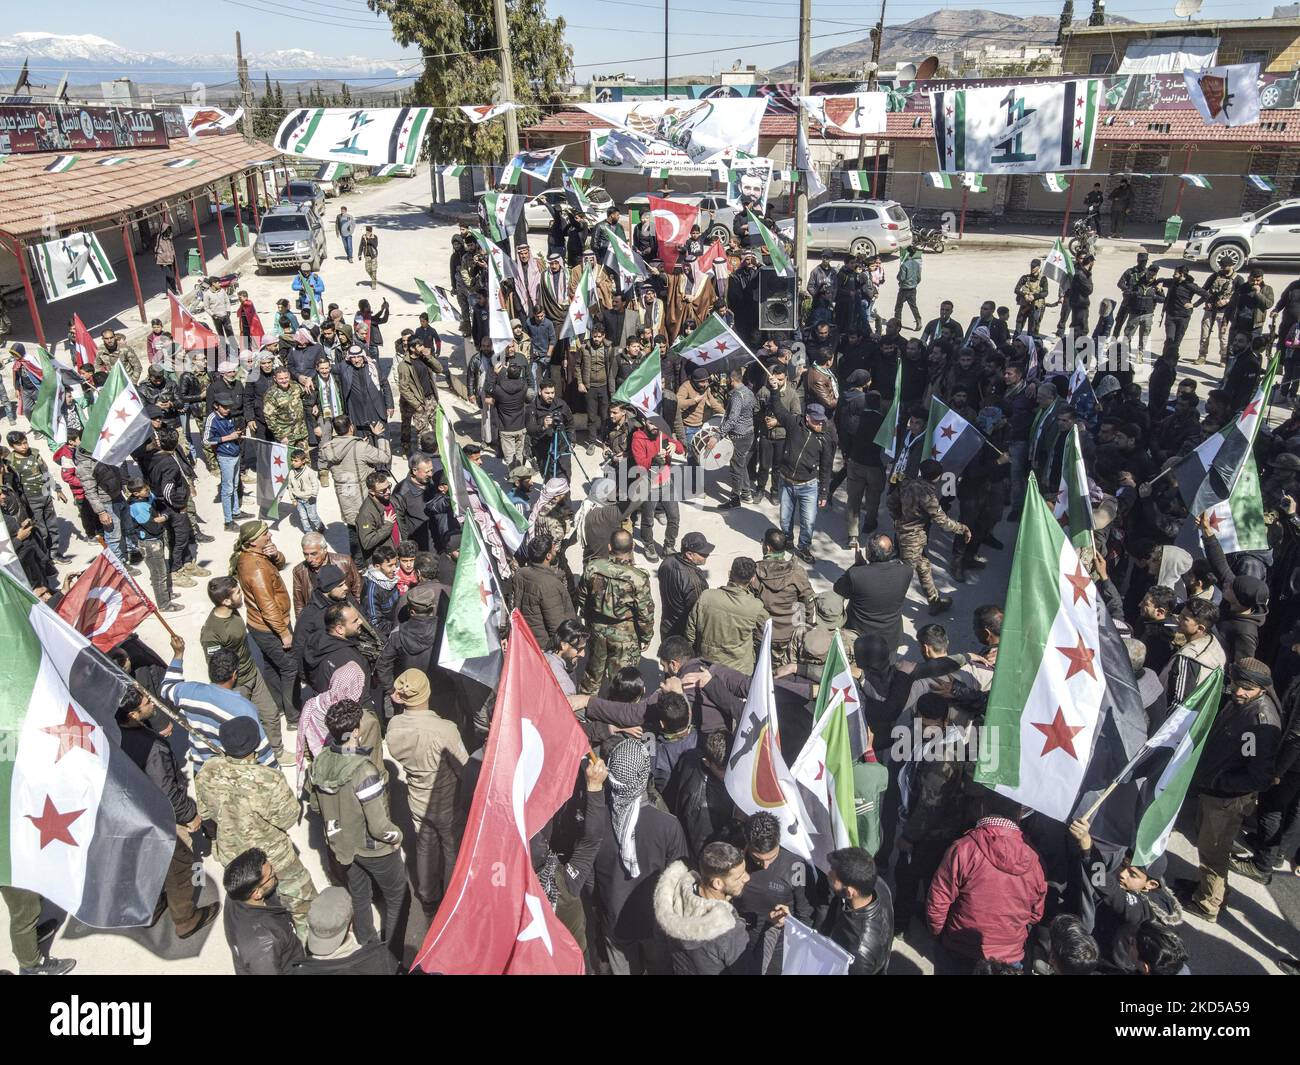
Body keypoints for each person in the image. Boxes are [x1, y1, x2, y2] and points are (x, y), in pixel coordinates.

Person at [1178, 659, 1281, 923]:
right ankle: (1211, 890)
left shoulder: (1259, 721)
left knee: (1214, 851)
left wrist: (1219, 783)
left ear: (1261, 689)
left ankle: (1207, 904)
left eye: (1246, 687)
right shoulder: (1242, 705)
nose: (1238, 691)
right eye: (1236, 683)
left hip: (1226, 800)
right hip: (1215, 793)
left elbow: (1256, 775)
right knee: (1207, 845)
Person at [116, 683, 222, 940]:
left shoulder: (113, 732)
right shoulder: (151, 747)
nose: (152, 703)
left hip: (129, 813)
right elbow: (167, 793)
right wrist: (190, 815)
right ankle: (185, 918)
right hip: (158, 817)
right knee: (179, 864)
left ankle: (150, 908)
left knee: (146, 863)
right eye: (146, 702)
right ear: (132, 714)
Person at [196, 716, 318, 935]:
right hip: (274, 859)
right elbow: (288, 818)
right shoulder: (268, 779)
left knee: (257, 911)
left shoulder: (207, 771)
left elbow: (205, 813)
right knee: (304, 905)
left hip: (234, 859)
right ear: (255, 745)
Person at [311, 696, 409, 955]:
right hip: (374, 849)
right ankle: (392, 953)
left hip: (342, 846)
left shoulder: (320, 759)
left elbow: (315, 806)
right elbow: (379, 827)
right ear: (355, 732)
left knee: (360, 893)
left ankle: (366, 940)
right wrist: (396, 835)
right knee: (399, 895)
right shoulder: (365, 771)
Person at [595, 738, 690, 974]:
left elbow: (589, 880)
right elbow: (680, 880)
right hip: (656, 923)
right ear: (643, 776)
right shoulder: (667, 825)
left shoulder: (596, 823)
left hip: (614, 920)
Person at [926, 791, 1046, 973]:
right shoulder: (1035, 860)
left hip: (960, 950)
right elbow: (1036, 914)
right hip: (1009, 958)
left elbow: (938, 902)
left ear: (982, 808)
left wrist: (940, 936)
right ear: (1019, 815)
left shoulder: (963, 849)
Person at [384, 668, 469, 914]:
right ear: (427, 693)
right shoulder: (445, 729)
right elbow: (463, 767)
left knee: (424, 845)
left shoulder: (394, 726)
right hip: (446, 801)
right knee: (451, 849)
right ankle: (453, 896)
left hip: (417, 797)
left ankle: (428, 895)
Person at [201, 575, 284, 758]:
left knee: (270, 714)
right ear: (225, 600)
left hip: (252, 673)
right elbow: (217, 668)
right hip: (237, 685)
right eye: (238, 593)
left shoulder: (233, 611)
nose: (242, 595)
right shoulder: (212, 633)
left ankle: (277, 751)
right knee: (244, 726)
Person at [231, 520, 299, 726]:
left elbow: (278, 564)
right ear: (252, 542)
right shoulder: (257, 568)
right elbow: (267, 604)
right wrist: (283, 632)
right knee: (290, 668)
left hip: (258, 626)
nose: (269, 536)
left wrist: (275, 555)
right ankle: (294, 715)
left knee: (271, 666)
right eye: (265, 534)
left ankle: (277, 706)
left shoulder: (252, 557)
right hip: (271, 627)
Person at [653, 841, 754, 975]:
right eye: (739, 877)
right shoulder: (729, 931)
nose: (747, 878)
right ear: (717, 883)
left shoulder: (672, 901)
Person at [574, 529, 655, 695]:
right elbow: (645, 613)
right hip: (625, 637)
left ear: (610, 546)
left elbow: (581, 598)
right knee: (622, 681)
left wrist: (588, 620)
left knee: (593, 672)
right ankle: (617, 714)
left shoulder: (593, 567)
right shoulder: (638, 578)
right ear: (632, 546)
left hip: (597, 629)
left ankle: (583, 710)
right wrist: (646, 636)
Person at [895, 459, 971, 616]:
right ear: (937, 477)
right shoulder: (928, 496)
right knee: (903, 576)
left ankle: (934, 601)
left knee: (923, 567)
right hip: (912, 539)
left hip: (908, 535)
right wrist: (962, 528)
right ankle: (883, 608)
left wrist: (897, 519)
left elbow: (891, 502)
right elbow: (942, 521)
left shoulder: (907, 484)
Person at [768, 396, 834, 564]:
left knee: (808, 521)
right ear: (807, 418)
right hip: (787, 482)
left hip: (809, 486)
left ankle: (804, 547)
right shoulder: (794, 423)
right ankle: (787, 540)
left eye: (822, 421)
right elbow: (779, 409)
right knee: (784, 518)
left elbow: (826, 468)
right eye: (816, 421)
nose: (820, 424)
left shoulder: (826, 438)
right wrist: (774, 389)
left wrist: (824, 493)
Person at [222, 848, 307, 975]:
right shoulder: (263, 945)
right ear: (257, 893)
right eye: (271, 875)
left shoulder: (236, 894)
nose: (275, 873)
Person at [687, 556, 769, 675]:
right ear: (752, 579)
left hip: (707, 667)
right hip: (739, 673)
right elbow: (766, 632)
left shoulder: (706, 596)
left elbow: (690, 633)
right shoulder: (755, 607)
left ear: (730, 573)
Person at [754, 528, 814, 668]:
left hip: (764, 634)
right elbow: (809, 603)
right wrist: (806, 627)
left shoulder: (755, 571)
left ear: (767, 548)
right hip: (791, 635)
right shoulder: (797, 573)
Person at [513, 532, 576, 647]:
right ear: (548, 556)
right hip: (544, 647)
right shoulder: (549, 584)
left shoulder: (520, 573)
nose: (555, 551)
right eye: (553, 549)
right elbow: (557, 625)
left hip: (525, 639)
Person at [657, 530, 712, 639]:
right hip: (682, 632)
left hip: (666, 625)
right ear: (689, 554)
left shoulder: (667, 561)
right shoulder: (694, 582)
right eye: (703, 554)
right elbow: (698, 610)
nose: (707, 555)